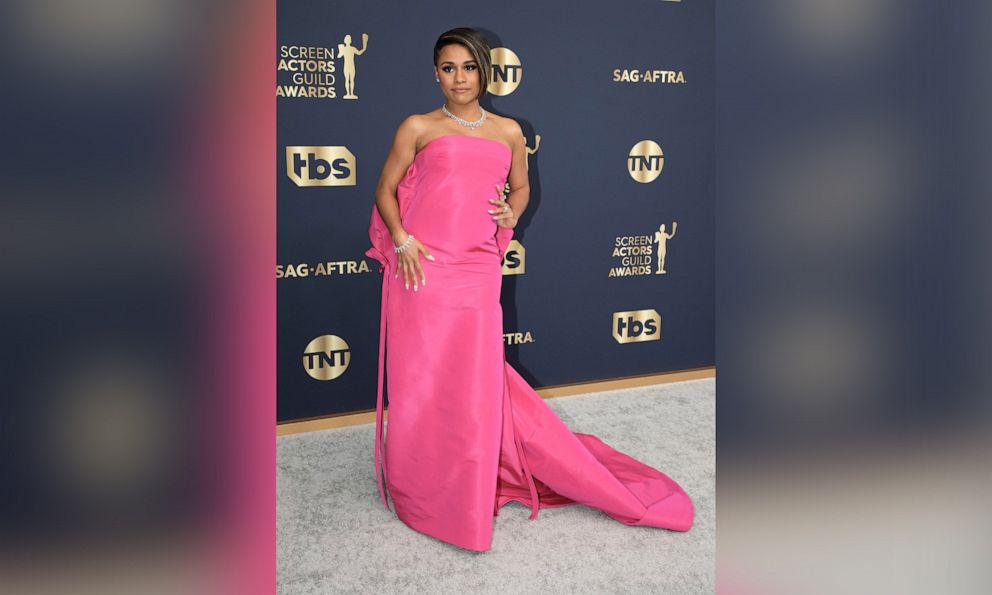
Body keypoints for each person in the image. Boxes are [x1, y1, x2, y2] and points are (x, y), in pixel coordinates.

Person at [365, 27, 694, 552]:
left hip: (476, 268)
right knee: (421, 373)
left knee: (472, 376)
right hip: (422, 268)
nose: (459, 78)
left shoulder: (510, 131)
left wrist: (510, 214)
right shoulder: (418, 126)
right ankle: (420, 478)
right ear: (435, 73)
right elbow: (384, 189)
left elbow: (520, 187)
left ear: (484, 71)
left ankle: (473, 472)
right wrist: (401, 240)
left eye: (468, 67)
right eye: (448, 68)